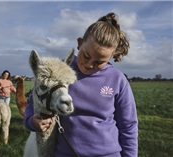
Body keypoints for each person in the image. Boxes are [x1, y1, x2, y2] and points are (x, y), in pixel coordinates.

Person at [24, 12, 138, 157]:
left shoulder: (118, 80)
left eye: (99, 62)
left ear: (112, 55)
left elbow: (128, 126)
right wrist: (31, 121)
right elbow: (33, 100)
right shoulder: (59, 70)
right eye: (86, 56)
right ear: (79, 44)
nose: (90, 65)